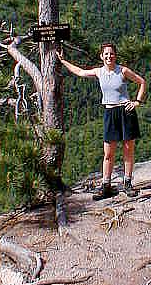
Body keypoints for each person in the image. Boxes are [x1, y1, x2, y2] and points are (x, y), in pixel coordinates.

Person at [56, 42, 146, 199]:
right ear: (101, 56)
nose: (109, 56)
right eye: (106, 54)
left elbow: (142, 82)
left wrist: (137, 102)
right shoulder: (99, 72)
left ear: (115, 55)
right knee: (108, 153)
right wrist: (63, 61)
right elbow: (80, 72)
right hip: (110, 112)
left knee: (128, 150)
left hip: (126, 111)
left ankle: (127, 183)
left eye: (111, 53)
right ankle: (106, 186)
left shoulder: (123, 71)